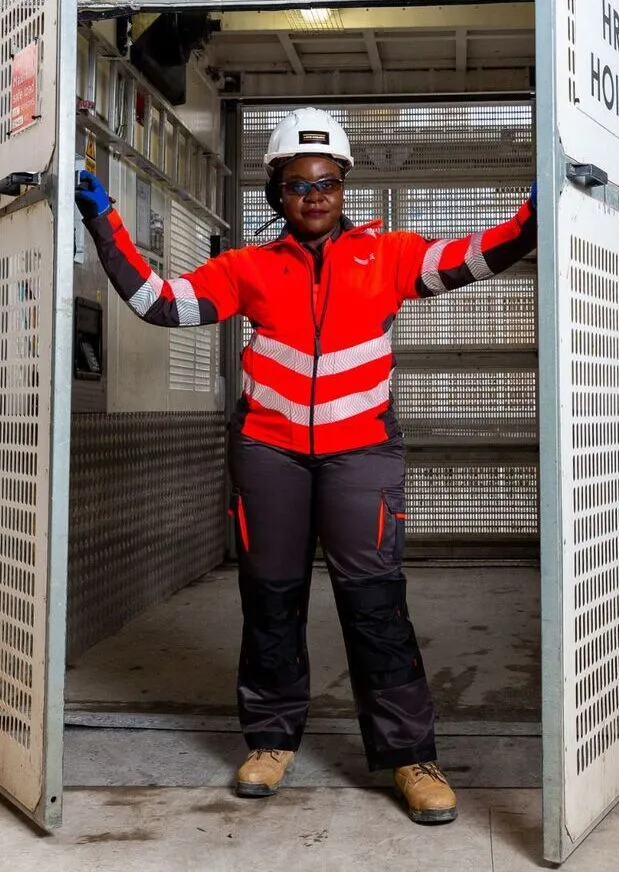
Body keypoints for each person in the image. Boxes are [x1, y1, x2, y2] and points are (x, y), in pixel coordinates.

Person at [75, 106, 537, 825]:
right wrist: (100, 214)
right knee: (270, 600)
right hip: (270, 453)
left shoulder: (388, 255)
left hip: (362, 454)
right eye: (297, 184)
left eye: (326, 181)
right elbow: (157, 303)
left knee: (376, 605)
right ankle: (269, 739)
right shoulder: (247, 267)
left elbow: (479, 254)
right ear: (276, 193)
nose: (314, 195)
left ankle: (410, 756)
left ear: (344, 186)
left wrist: (536, 208)